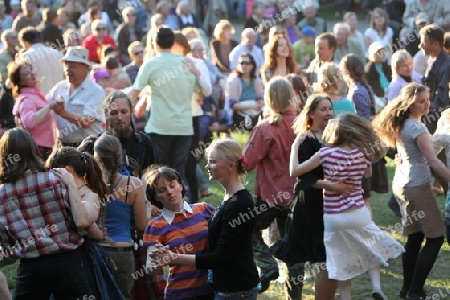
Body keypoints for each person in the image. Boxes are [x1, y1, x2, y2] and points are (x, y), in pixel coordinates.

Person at [290, 113, 404, 300]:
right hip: (358, 212)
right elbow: (367, 175)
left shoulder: (325, 153)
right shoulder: (362, 154)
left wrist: (295, 146)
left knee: (340, 263)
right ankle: (376, 286)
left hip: (333, 218)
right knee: (372, 247)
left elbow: (294, 171)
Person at [149, 138, 260, 299]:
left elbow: (221, 258)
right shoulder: (230, 197)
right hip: (227, 289)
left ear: (231, 165)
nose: (207, 166)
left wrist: (174, 257)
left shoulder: (240, 204)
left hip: (236, 290)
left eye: (213, 162)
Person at [373, 82, 450, 300]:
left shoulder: (403, 124)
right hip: (416, 187)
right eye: (422, 101)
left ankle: (407, 289)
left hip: (402, 184)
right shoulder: (417, 128)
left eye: (428, 99)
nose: (427, 104)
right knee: (435, 238)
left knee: (415, 238)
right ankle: (415, 290)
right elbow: (434, 162)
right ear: (410, 103)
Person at [0, 128, 92, 299]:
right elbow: (77, 220)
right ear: (33, 149)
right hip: (69, 264)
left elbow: (6, 243)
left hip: (32, 269)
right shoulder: (57, 180)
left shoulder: (2, 195)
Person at [45, 146, 125, 300]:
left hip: (84, 261)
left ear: (67, 170)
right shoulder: (59, 191)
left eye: (53, 172)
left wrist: (70, 184)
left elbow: (82, 221)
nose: (50, 177)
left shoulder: (89, 195)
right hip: (59, 259)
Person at [242, 77, 298, 295]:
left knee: (246, 228)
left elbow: (246, 162)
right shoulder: (302, 123)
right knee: (292, 249)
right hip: (295, 196)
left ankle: (267, 264)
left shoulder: (266, 127)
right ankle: (294, 295)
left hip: (269, 196)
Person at [131, 27, 198, 183]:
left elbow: (134, 93)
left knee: (158, 171)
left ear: (155, 43)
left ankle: (159, 206)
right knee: (178, 171)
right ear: (173, 42)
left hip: (160, 126)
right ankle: (180, 204)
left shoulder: (151, 64)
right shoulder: (187, 64)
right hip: (184, 126)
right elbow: (200, 90)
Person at [143, 165, 215, 299]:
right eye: (162, 190)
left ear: (181, 186)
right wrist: (157, 258)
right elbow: (150, 269)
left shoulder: (205, 209)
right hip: (180, 294)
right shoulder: (155, 226)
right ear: (156, 197)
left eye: (172, 185)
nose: (169, 192)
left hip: (212, 290)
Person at [94, 134, 149, 299]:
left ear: (96, 157)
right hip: (122, 253)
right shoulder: (134, 184)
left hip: (96, 251)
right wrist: (147, 206)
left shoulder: (88, 183)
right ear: (120, 156)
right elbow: (142, 225)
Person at [46, 46, 106, 147]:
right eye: (66, 65)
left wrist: (63, 113)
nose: (67, 70)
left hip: (89, 147)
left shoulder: (96, 91)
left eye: (73, 66)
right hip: (63, 146)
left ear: (85, 68)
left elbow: (87, 121)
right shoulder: (60, 87)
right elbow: (44, 104)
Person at [8, 61, 55, 159]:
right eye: (26, 74)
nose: (32, 73)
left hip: (42, 147)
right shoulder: (27, 99)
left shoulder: (34, 95)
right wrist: (49, 107)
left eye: (31, 70)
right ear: (21, 82)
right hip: (37, 149)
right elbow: (29, 122)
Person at [18, 27, 64, 95]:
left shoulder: (25, 57)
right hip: (61, 99)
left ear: (25, 42)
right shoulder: (58, 53)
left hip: (39, 101)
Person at [225, 53, 264, 130]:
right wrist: (252, 107)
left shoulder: (256, 80)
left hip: (256, 112)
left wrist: (260, 103)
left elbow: (260, 98)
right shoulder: (233, 80)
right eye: (241, 63)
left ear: (252, 66)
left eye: (247, 63)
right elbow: (233, 105)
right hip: (239, 114)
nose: (244, 66)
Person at [364, 41, 392, 113]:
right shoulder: (368, 70)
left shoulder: (387, 66)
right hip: (379, 98)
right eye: (378, 52)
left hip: (391, 92)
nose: (380, 54)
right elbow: (372, 88)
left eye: (382, 51)